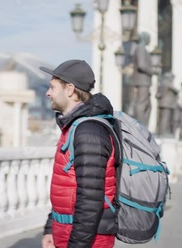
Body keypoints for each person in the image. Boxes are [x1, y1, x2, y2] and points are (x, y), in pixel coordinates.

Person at [39, 60, 117, 248]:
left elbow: (91, 201)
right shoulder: (74, 126)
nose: (48, 93)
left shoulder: (89, 131)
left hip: (88, 239)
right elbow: (67, 185)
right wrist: (51, 228)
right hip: (67, 231)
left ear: (70, 89)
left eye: (52, 87)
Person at [131, 31, 158, 127]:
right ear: (145, 38)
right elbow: (141, 65)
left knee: (148, 106)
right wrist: (152, 71)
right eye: (149, 38)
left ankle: (143, 126)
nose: (150, 40)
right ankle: (140, 127)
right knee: (142, 104)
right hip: (143, 81)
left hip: (144, 81)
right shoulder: (141, 48)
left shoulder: (141, 49)